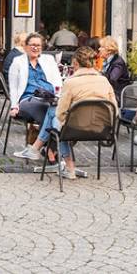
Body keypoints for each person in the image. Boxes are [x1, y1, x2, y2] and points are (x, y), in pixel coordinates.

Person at [14, 47, 118, 179]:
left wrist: (66, 118)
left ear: (75, 63)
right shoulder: (104, 81)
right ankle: (36, 150)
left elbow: (61, 113)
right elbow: (114, 108)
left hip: (76, 129)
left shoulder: (71, 82)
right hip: (102, 129)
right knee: (56, 116)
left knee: (55, 117)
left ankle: (66, 166)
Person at [7, 32, 63, 127]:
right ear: (25, 46)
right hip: (29, 98)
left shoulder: (49, 60)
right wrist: (14, 106)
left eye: (38, 45)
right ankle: (53, 138)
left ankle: (43, 139)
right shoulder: (18, 61)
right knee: (50, 112)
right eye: (32, 45)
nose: (35, 48)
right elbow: (13, 87)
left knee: (59, 110)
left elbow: (58, 82)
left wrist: (59, 97)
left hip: (49, 98)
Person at [98, 36, 132, 103]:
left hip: (119, 95)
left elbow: (112, 79)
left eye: (102, 47)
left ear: (109, 50)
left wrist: (99, 74)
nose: (99, 49)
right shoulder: (107, 62)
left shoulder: (118, 62)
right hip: (110, 92)